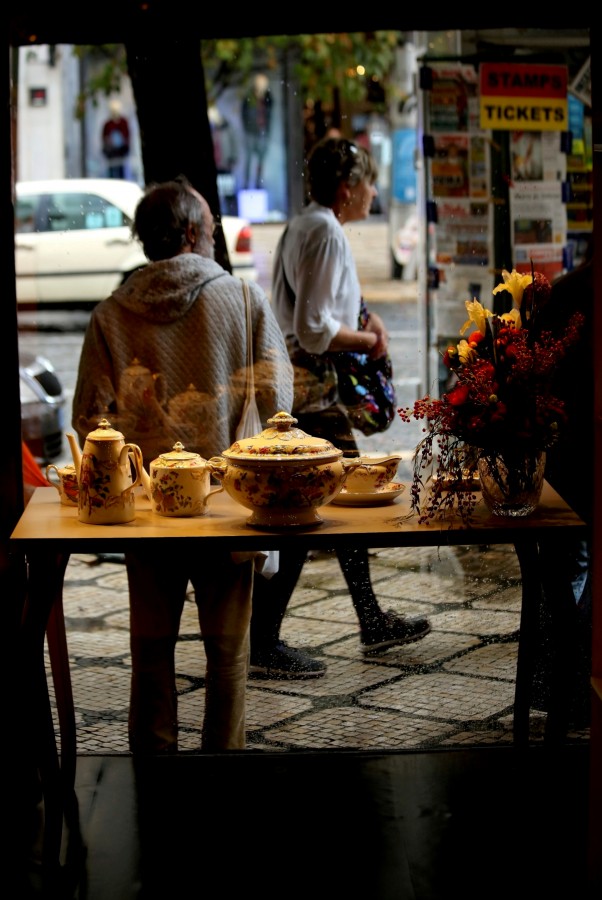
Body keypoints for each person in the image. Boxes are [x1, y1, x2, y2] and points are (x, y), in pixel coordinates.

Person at [72, 176, 294, 753]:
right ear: (195, 232)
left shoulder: (109, 316)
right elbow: (281, 410)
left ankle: (152, 775)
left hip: (146, 516)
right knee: (227, 661)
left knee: (149, 658)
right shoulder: (244, 301)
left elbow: (86, 420)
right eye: (214, 229)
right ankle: (221, 771)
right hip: (226, 511)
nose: (217, 237)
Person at [249, 136, 431, 679]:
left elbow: (318, 307)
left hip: (303, 386)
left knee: (328, 503)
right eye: (369, 181)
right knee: (317, 508)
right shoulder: (325, 231)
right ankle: (268, 640)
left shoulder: (306, 224)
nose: (375, 191)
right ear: (348, 188)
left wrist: (365, 317)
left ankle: (365, 619)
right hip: (314, 389)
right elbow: (313, 327)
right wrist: (369, 342)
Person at [531, 246, 593, 730]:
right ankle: (569, 682)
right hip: (578, 457)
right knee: (575, 571)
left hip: (564, 458)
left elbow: (535, 385)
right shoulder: (572, 294)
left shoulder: (565, 293)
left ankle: (557, 682)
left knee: (562, 570)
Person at [241, 73, 272, 189]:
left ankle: (258, 183)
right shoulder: (249, 98)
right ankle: (246, 184)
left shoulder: (268, 98)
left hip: (262, 131)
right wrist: (247, 128)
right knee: (249, 160)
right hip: (251, 132)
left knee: (261, 160)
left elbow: (269, 115)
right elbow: (244, 114)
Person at [101, 98, 130, 179]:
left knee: (122, 174)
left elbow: (127, 137)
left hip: (121, 154)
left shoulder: (124, 122)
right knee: (111, 174)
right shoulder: (107, 124)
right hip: (111, 155)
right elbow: (104, 138)